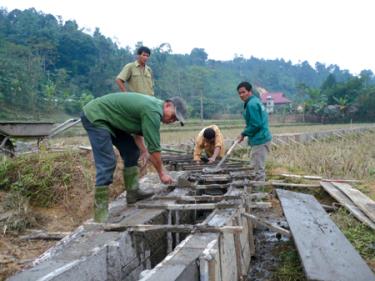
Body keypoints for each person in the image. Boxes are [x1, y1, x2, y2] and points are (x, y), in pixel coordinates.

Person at [81, 92, 187, 222]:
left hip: (111, 120)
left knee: (131, 151)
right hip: (96, 116)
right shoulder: (153, 111)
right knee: (107, 162)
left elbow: (138, 134)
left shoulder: (153, 109)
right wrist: (162, 173)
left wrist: (143, 150)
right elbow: (154, 149)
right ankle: (100, 214)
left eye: (175, 120)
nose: (172, 121)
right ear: (168, 105)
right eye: (173, 116)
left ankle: (133, 193)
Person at [236, 81, 272, 181]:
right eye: (239, 93)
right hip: (261, 137)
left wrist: (243, 133)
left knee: (257, 169)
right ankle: (258, 189)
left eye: (243, 92)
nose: (241, 95)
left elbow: (256, 124)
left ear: (250, 91)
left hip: (260, 139)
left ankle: (259, 193)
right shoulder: (255, 101)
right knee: (256, 165)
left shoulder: (251, 104)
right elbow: (255, 122)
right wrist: (244, 133)